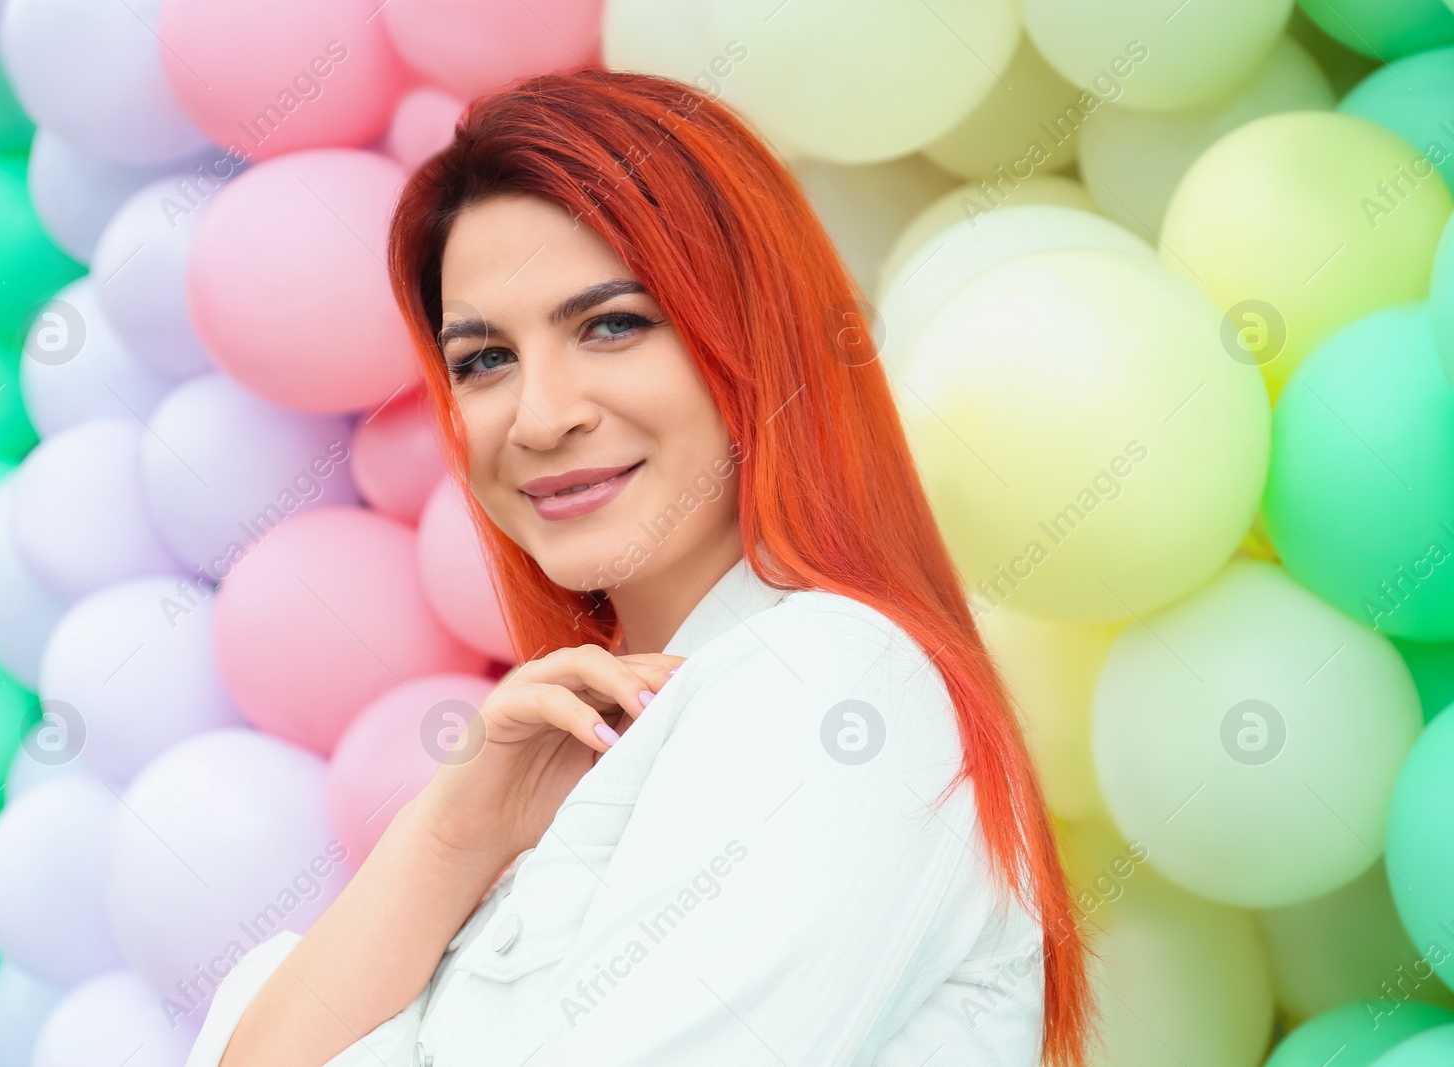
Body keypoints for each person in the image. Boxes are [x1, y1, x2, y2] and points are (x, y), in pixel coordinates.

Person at [186, 68, 1095, 1067]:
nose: (539, 416)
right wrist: (447, 840)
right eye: (484, 359)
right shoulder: (580, 751)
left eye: (612, 324)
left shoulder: (830, 685)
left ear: (754, 338)